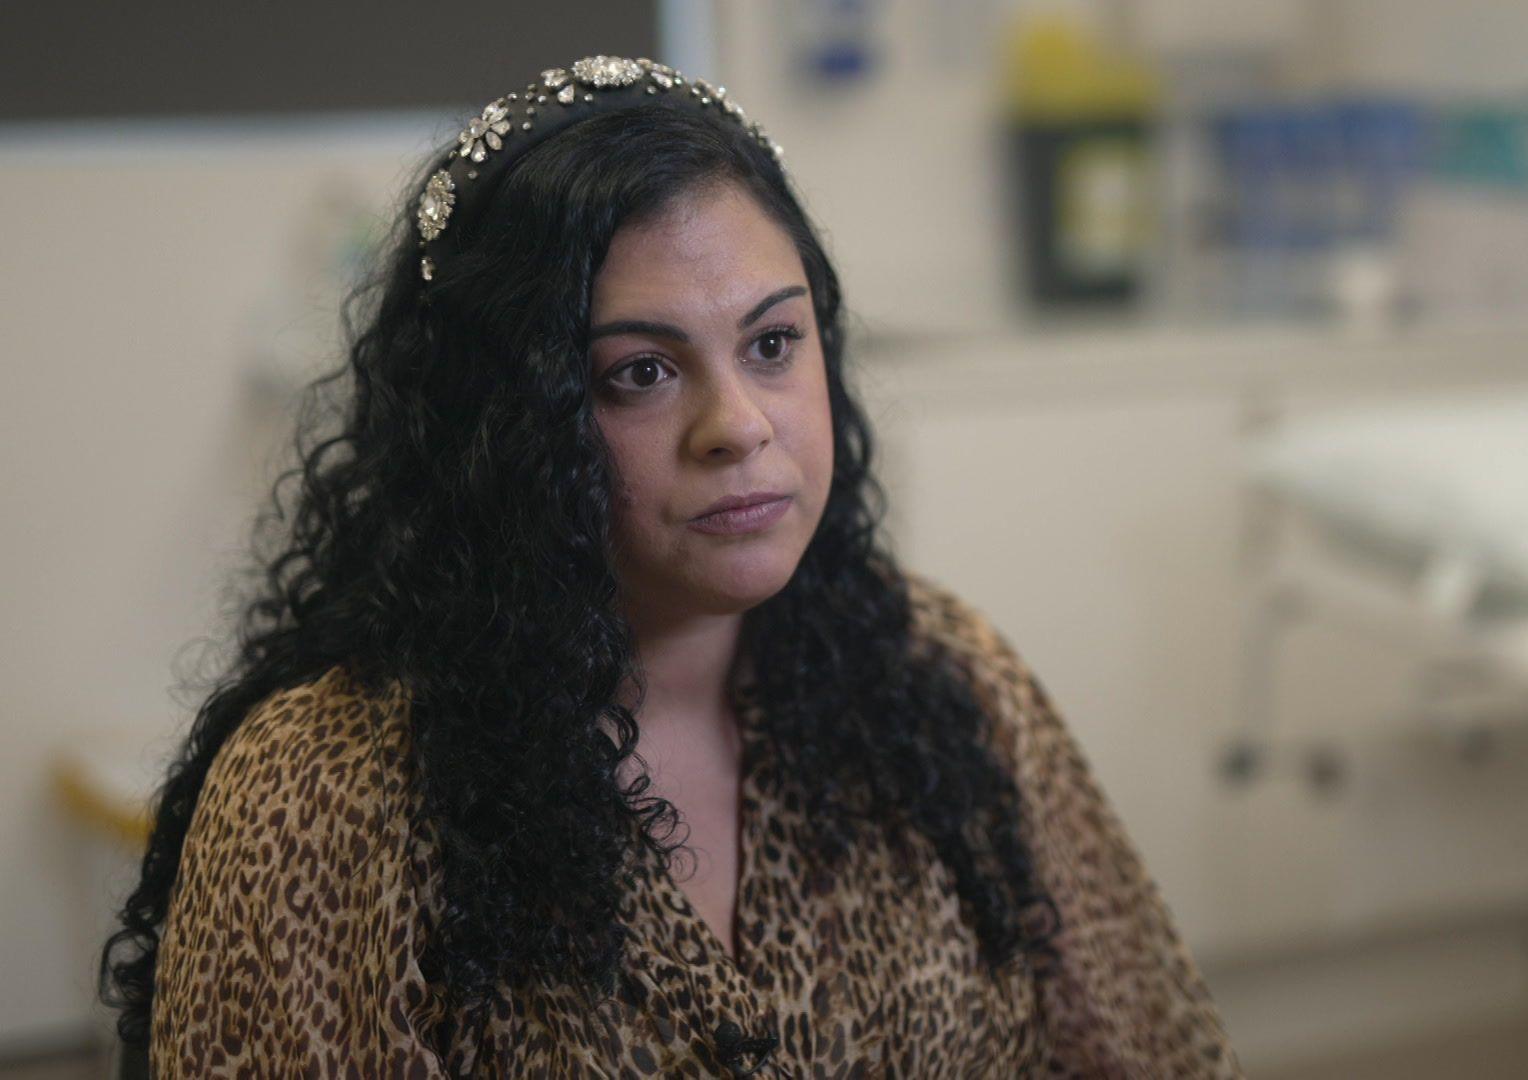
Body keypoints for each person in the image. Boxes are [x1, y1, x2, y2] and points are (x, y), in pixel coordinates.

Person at [99, 54, 1242, 1077]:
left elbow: (1158, 1047)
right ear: (506, 425)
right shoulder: (324, 793)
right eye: (640, 373)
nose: (739, 424)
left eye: (773, 343)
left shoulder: (950, 679)